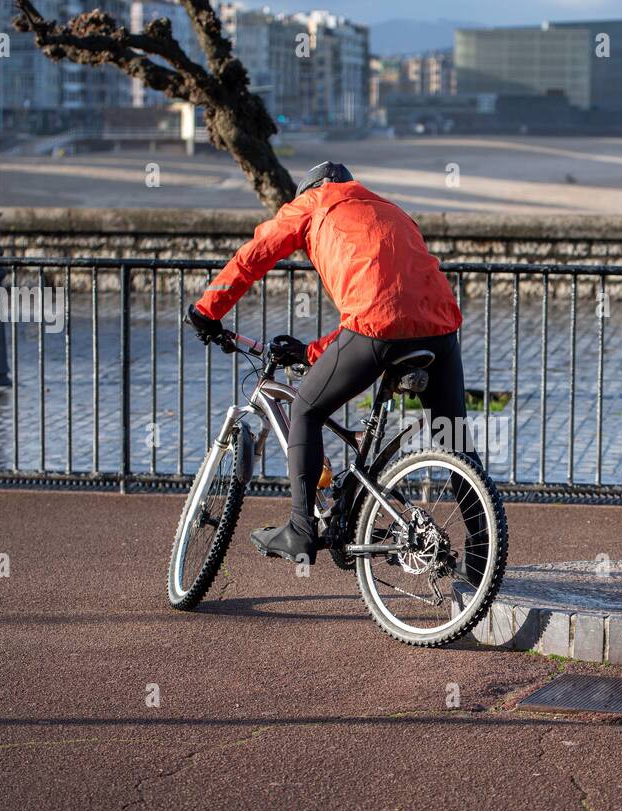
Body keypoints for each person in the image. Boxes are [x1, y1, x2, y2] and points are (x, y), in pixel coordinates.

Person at [186, 161, 468, 565]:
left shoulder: (313, 204)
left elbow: (253, 257)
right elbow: (387, 298)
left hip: (376, 329)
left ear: (311, 189)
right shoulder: (390, 209)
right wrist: (310, 353)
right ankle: (481, 558)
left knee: (305, 409)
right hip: (440, 328)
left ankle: (300, 530)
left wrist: (206, 311)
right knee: (455, 440)